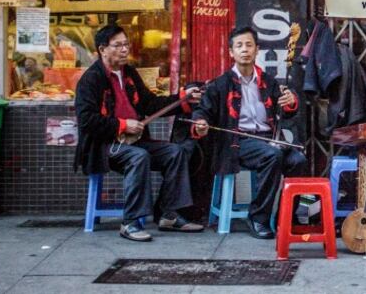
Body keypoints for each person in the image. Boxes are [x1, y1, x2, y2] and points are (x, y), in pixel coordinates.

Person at [74, 24, 204, 242]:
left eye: (126, 44)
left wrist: (182, 98)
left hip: (134, 142)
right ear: (102, 49)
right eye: (118, 45)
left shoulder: (130, 73)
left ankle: (169, 214)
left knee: (175, 152)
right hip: (105, 147)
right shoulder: (91, 79)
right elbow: (87, 120)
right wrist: (123, 125)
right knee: (138, 156)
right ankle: (131, 222)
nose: (124, 49)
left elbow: (151, 104)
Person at [191, 26, 305, 239]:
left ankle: (286, 217)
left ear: (257, 50)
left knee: (297, 159)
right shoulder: (220, 84)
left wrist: (291, 103)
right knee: (272, 155)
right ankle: (258, 218)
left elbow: (286, 115)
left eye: (249, 45)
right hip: (237, 142)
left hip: (268, 139)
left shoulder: (269, 82)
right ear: (231, 52)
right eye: (239, 45)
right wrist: (200, 123)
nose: (245, 50)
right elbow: (202, 110)